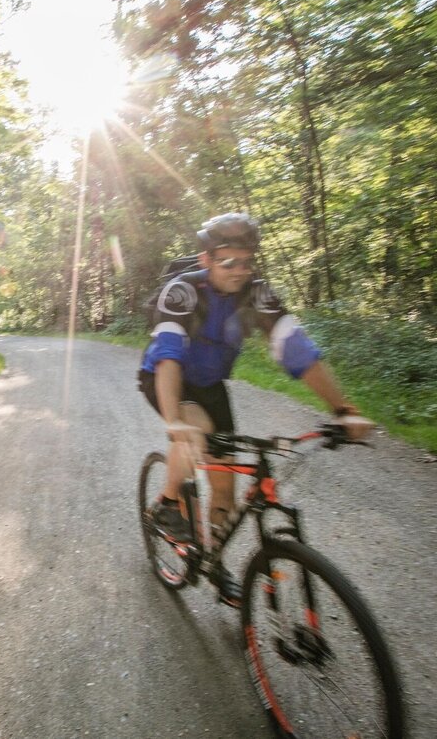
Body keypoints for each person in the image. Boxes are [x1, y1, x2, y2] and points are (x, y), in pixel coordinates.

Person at [138, 213, 371, 606]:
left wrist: (343, 408)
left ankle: (213, 563)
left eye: (247, 262)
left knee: (225, 489)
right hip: (166, 377)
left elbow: (296, 349)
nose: (240, 271)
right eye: (229, 262)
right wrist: (175, 420)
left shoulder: (256, 294)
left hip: (211, 385)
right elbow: (169, 357)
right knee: (195, 428)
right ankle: (167, 503)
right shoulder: (183, 292)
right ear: (206, 259)